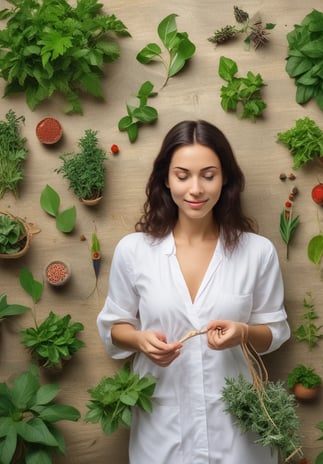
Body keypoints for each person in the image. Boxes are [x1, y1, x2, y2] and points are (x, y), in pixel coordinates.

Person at [97, 120, 291, 464]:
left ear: (226, 178)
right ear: (166, 179)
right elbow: (115, 326)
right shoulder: (134, 250)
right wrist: (139, 340)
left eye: (209, 174)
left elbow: (274, 333)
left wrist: (243, 332)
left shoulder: (257, 252)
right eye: (183, 175)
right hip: (163, 419)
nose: (196, 189)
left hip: (236, 421)